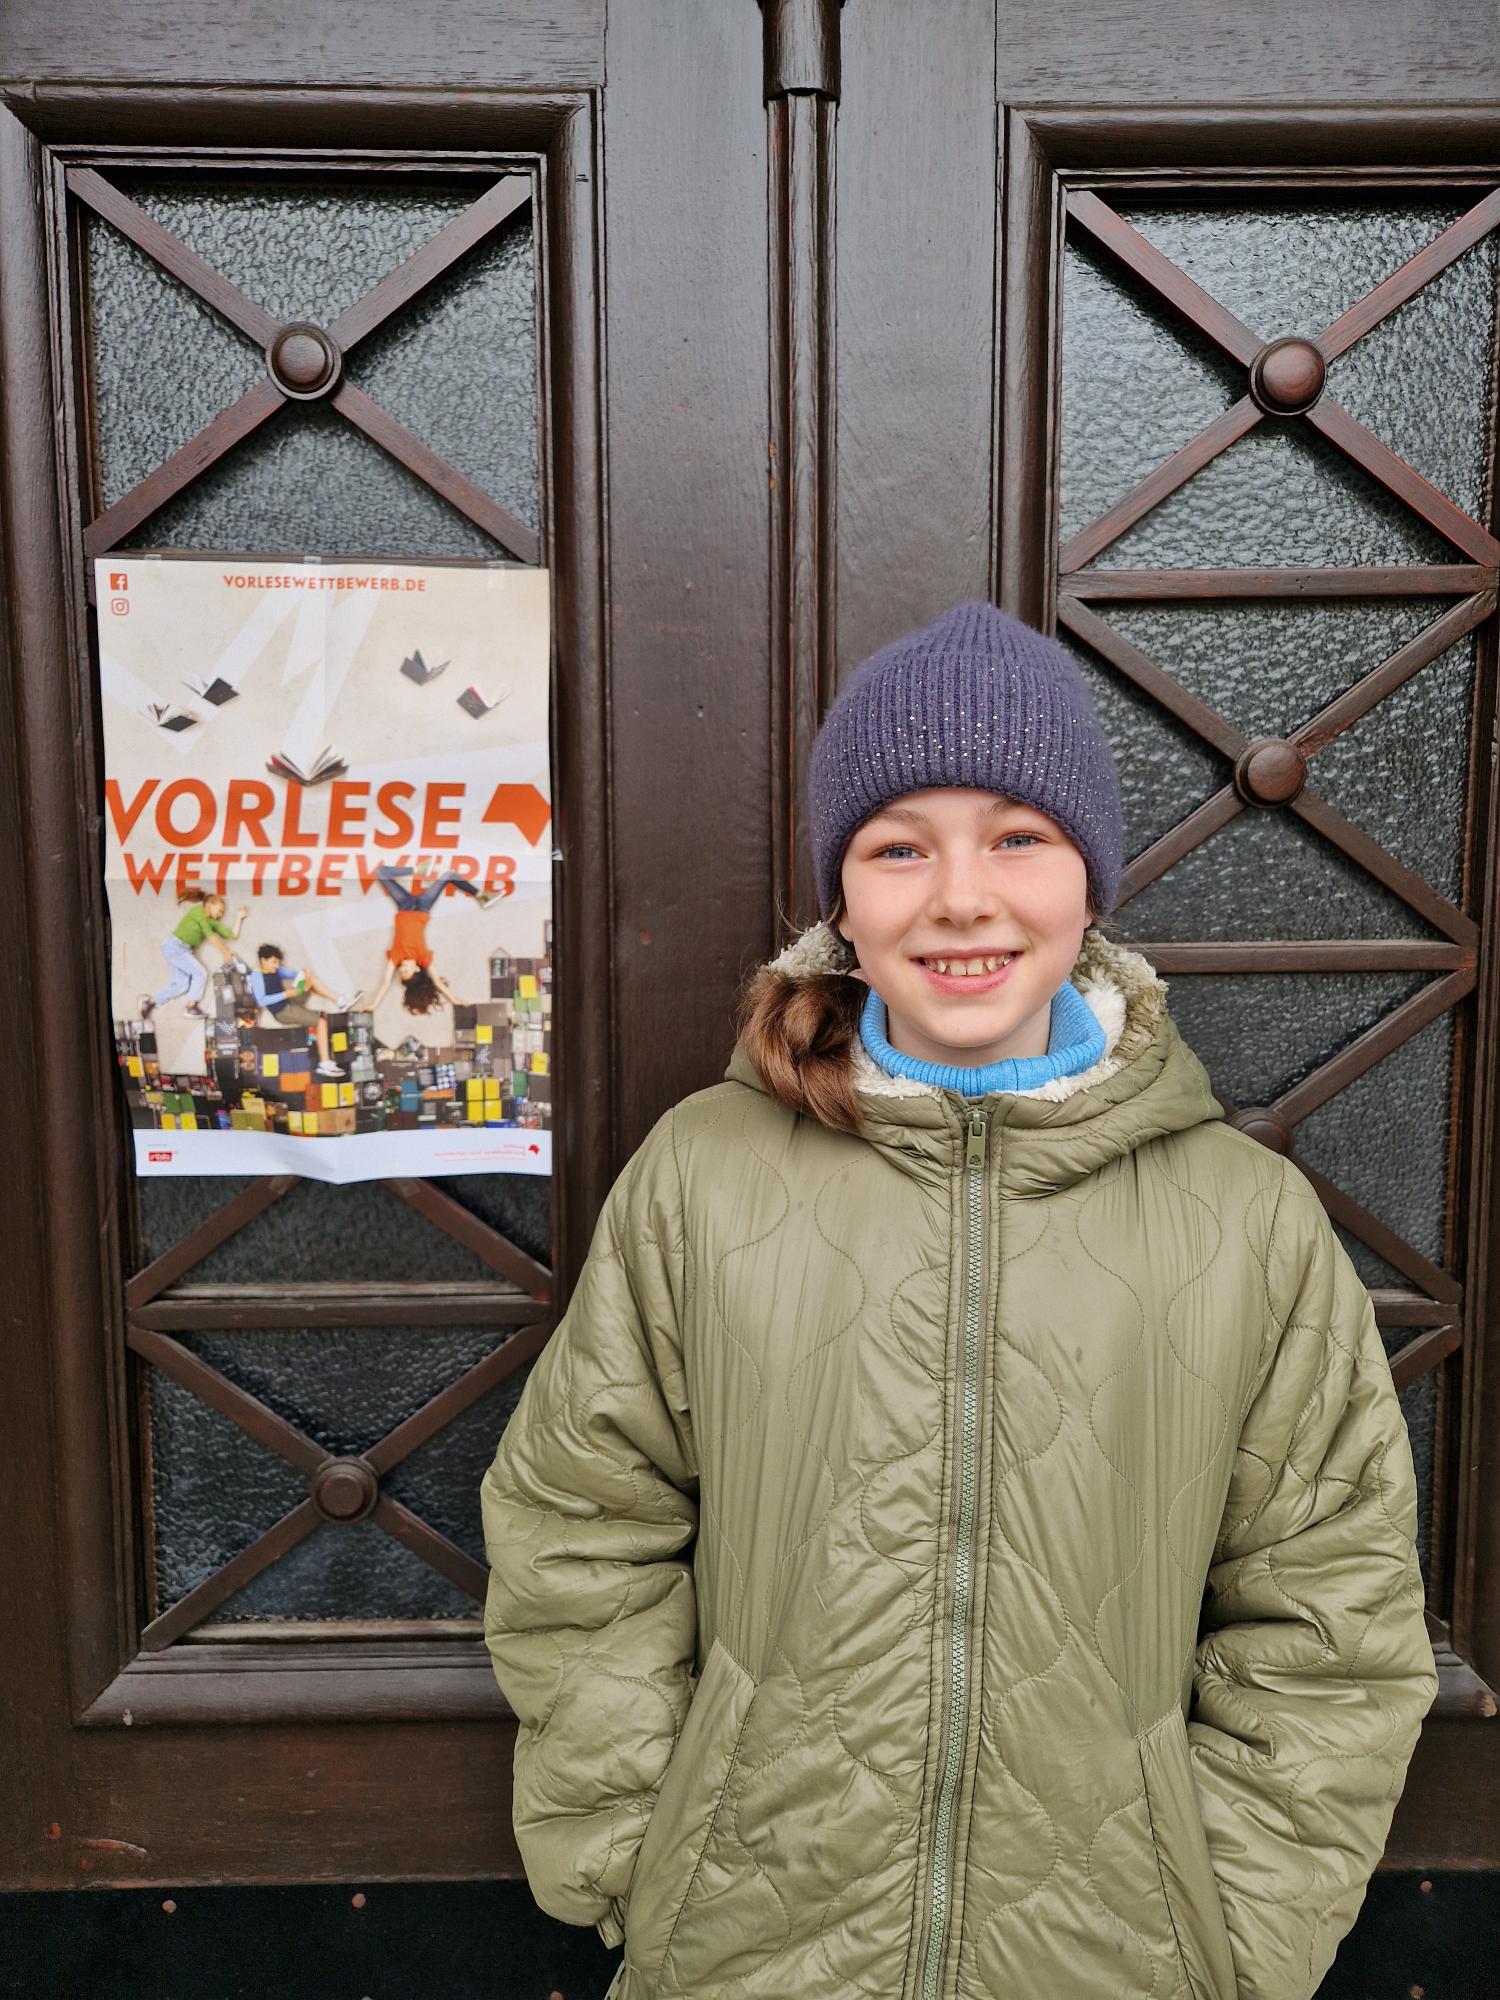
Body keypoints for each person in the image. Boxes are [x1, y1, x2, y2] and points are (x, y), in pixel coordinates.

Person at [479, 602, 1436, 2000]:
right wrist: (642, 1853)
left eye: (1019, 837)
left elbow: (1329, 1613)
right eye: (899, 846)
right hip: (746, 1952)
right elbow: (582, 1522)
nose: (962, 898)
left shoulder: (1245, 1222)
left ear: (1091, 881)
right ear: (842, 900)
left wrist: (1236, 1931)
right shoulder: (705, 1177)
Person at [365, 861, 495, 1016]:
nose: (402, 968)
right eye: (406, 970)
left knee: (380, 872)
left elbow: (385, 983)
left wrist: (374, 1004)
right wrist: (453, 999)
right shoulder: (424, 958)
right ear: (416, 969)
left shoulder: (395, 957)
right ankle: (482, 896)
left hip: (404, 906)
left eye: (401, 971)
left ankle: (418, 869)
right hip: (422, 907)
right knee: (449, 875)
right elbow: (437, 982)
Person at [249, 944, 360, 1079]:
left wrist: (304, 973)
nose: (277, 965)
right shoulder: (256, 975)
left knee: (309, 979)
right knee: (321, 1022)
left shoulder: (276, 969)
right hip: (283, 1011)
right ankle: (324, 1064)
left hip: (291, 999)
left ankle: (340, 1001)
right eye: (274, 962)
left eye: (278, 962)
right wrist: (287, 994)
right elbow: (261, 1001)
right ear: (263, 960)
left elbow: (294, 974)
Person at [140, 889, 248, 1020]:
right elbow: (211, 936)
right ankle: (191, 1007)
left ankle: (150, 1002)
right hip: (174, 946)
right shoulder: (198, 911)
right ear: (209, 904)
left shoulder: (212, 922)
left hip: (182, 950)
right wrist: (225, 952)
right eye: (219, 910)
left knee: (181, 985)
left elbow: (231, 935)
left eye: (222, 913)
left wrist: (239, 918)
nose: (220, 914)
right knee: (200, 973)